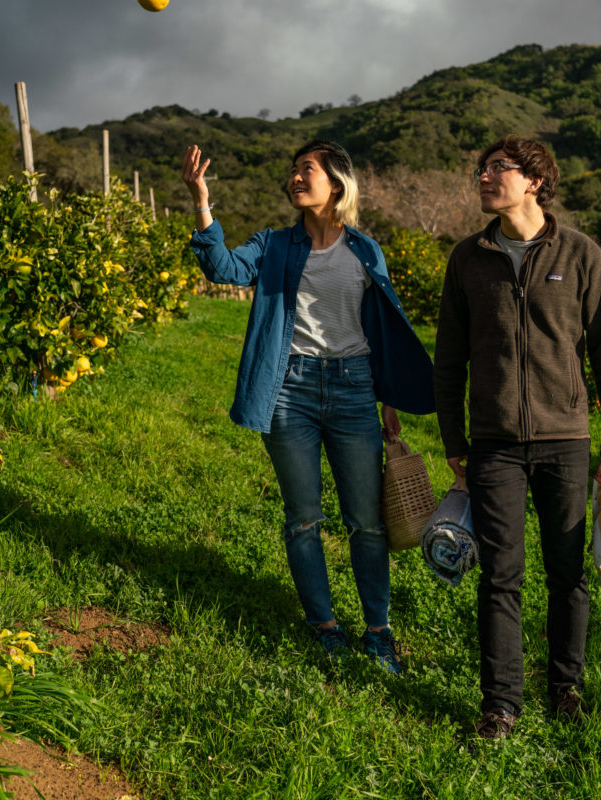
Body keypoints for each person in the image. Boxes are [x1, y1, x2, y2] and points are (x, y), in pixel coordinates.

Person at [182, 139, 434, 672]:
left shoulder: (366, 250)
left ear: (336, 184)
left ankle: (378, 629)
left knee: (366, 522)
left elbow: (382, 329)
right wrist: (202, 202)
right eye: (294, 170)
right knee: (303, 519)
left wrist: (387, 397)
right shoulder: (273, 245)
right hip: (289, 389)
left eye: (308, 170)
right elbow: (223, 268)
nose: (296, 177)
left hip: (354, 388)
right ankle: (324, 624)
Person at [434, 134, 601, 738]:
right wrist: (454, 442)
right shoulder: (468, 258)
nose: (485, 177)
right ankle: (501, 705)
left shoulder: (580, 254)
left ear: (535, 180)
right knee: (500, 574)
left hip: (565, 439)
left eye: (498, 168)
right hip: (493, 444)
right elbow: (448, 358)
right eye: (481, 169)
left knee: (567, 573)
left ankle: (565, 688)